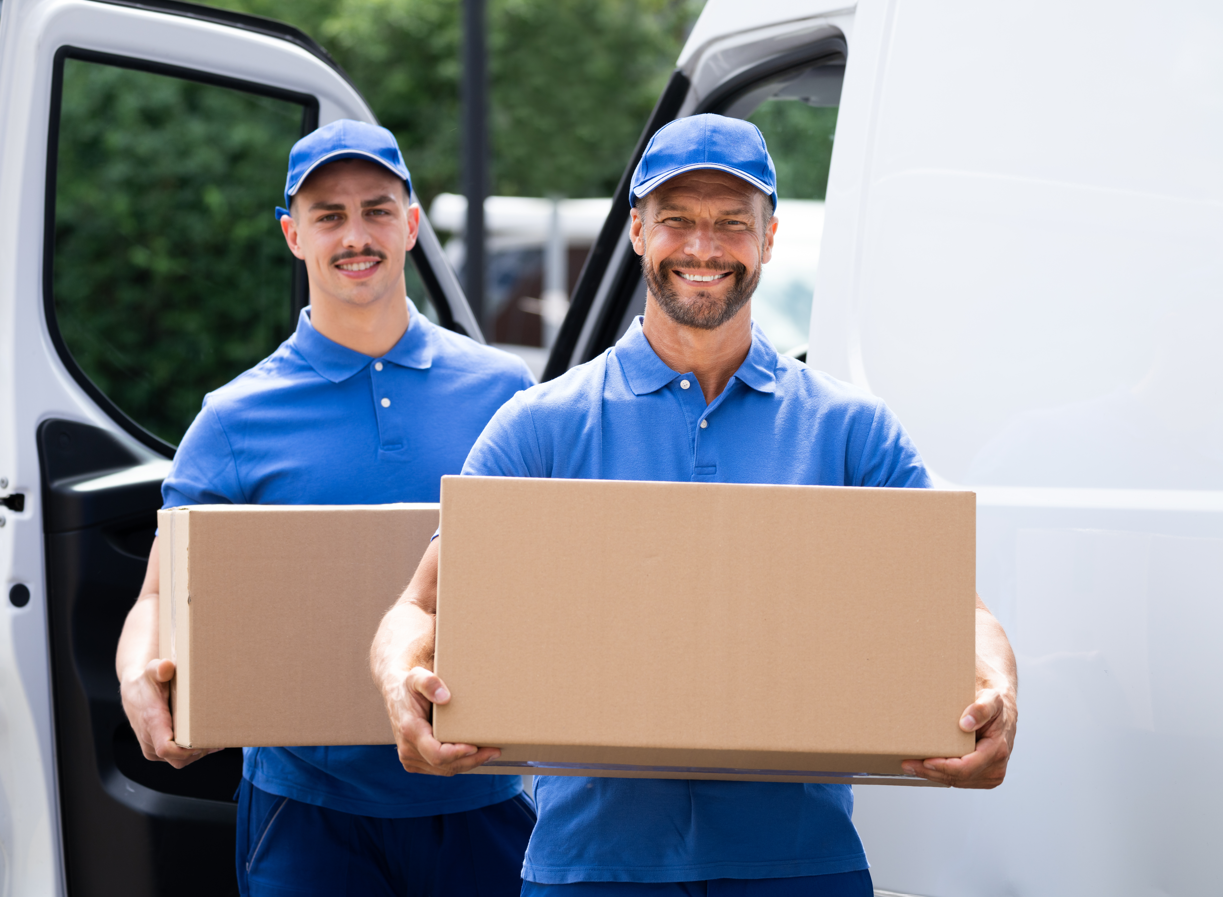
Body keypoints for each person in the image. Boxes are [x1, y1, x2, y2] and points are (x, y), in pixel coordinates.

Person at [371, 114, 1019, 896]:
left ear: (769, 238)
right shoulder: (542, 427)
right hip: (593, 866)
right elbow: (418, 607)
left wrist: (997, 691)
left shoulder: (850, 432)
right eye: (676, 220)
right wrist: (399, 685)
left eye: (730, 224)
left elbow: (959, 611)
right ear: (638, 233)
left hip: (799, 862)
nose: (703, 248)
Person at [115, 119, 538, 897]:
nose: (356, 235)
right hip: (305, 812)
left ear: (411, 225)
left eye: (377, 209)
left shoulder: (504, 393)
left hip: (482, 796)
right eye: (328, 215)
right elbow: (155, 599)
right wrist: (136, 677)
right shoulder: (235, 417)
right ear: (292, 235)